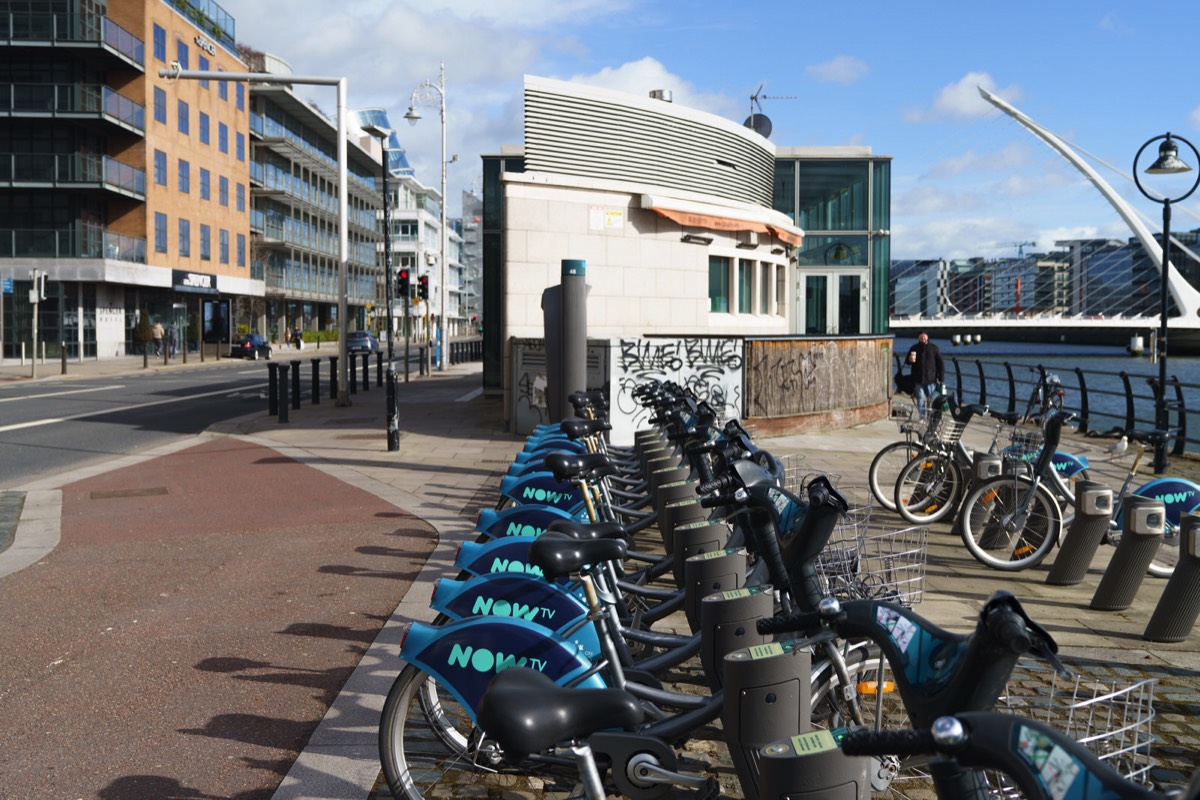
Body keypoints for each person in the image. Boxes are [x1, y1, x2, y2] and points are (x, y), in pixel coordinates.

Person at [906, 331, 945, 418]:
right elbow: (907, 362)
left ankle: (932, 417)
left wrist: (941, 378)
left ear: (927, 337)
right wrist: (909, 359)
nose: (923, 338)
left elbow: (940, 363)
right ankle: (922, 417)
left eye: (924, 337)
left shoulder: (934, 348)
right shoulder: (914, 348)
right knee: (920, 399)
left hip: (931, 380)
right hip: (918, 379)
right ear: (918, 338)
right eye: (921, 337)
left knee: (932, 400)